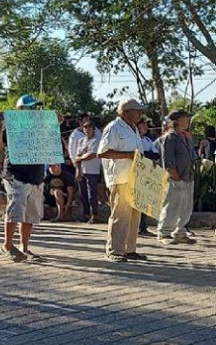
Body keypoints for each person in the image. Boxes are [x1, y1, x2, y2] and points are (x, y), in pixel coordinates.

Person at [0, 94, 46, 262]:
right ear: (21, 110)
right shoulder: (12, 126)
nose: (34, 111)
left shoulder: (41, 128)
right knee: (16, 209)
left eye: (35, 107)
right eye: (30, 107)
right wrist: (0, 125)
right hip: (16, 174)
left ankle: (24, 247)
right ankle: (7, 245)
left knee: (30, 213)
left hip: (36, 175)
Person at [97, 98, 148, 263]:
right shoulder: (114, 128)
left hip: (135, 178)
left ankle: (129, 250)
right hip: (120, 178)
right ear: (125, 112)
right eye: (137, 110)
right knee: (120, 215)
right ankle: (114, 250)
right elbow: (103, 153)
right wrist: (127, 155)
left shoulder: (134, 129)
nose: (140, 113)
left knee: (134, 216)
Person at [158, 110, 198, 245]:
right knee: (172, 206)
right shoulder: (169, 137)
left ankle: (179, 232)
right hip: (176, 177)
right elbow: (168, 160)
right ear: (177, 121)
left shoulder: (186, 136)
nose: (188, 121)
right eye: (185, 118)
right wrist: (175, 176)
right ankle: (164, 233)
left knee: (186, 207)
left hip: (188, 176)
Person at [74, 121, 101, 223]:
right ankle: (86, 214)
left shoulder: (97, 140)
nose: (87, 129)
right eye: (85, 128)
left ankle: (95, 214)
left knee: (92, 193)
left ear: (93, 129)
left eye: (89, 127)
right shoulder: (81, 141)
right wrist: (78, 170)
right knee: (83, 193)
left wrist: (80, 158)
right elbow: (77, 156)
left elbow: (92, 155)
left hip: (93, 170)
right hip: (82, 169)